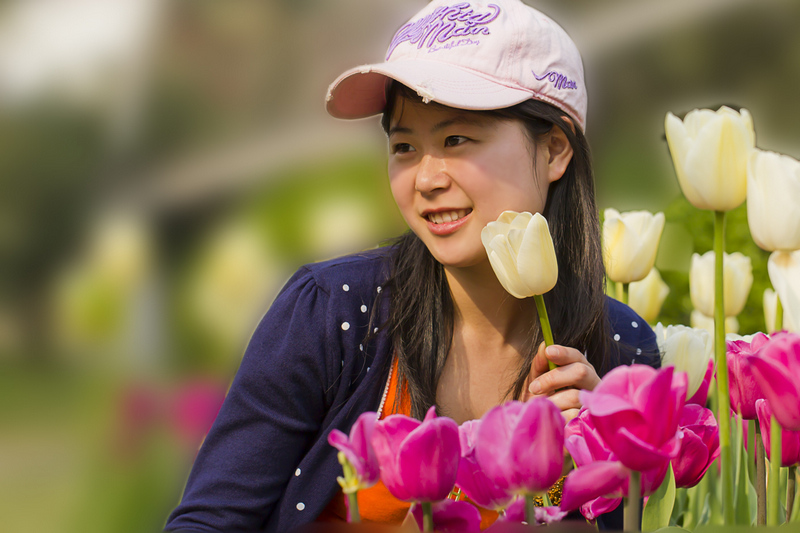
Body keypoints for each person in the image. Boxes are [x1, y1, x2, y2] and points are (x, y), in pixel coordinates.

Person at [164, 1, 659, 531]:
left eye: (455, 140)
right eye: (403, 146)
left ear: (556, 148)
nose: (425, 179)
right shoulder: (332, 313)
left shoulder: (619, 352)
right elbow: (210, 520)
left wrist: (597, 459)